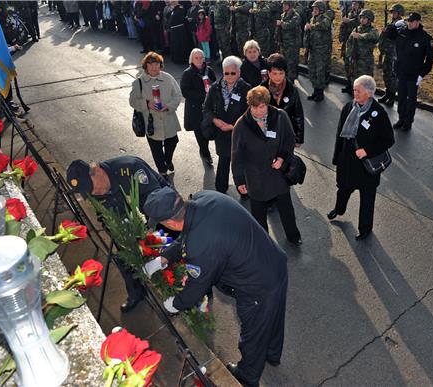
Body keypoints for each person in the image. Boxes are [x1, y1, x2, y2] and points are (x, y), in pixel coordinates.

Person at [143, 186, 288, 387]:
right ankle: (272, 352)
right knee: (273, 314)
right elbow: (187, 236)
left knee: (253, 333)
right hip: (273, 261)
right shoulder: (205, 198)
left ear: (170, 222)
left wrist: (175, 304)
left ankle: (246, 377)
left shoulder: (202, 244)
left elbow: (197, 286)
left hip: (257, 285)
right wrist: (164, 258)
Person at [66, 156, 170, 312]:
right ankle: (137, 293)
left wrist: (149, 231)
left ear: (97, 170)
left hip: (162, 216)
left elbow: (158, 199)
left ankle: (178, 296)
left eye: (92, 188)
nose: (95, 193)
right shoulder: (95, 191)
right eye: (89, 192)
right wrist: (119, 237)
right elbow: (104, 215)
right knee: (123, 258)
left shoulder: (129, 169)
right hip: (134, 226)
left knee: (169, 252)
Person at [232, 86, 302, 246]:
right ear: (249, 105)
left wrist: (282, 158)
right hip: (255, 177)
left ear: (267, 104)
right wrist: (239, 180)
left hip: (278, 174)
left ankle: (293, 236)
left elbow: (289, 140)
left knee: (286, 208)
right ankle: (263, 243)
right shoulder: (241, 125)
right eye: (254, 107)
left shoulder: (280, 116)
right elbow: (237, 155)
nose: (258, 111)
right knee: (258, 213)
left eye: (261, 106)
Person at [328, 75, 395, 240]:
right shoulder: (348, 107)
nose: (355, 93)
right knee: (343, 188)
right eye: (354, 90)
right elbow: (340, 135)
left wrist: (368, 151)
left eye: (358, 91)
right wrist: (337, 157)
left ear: (370, 93)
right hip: (347, 159)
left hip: (365, 164)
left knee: (367, 198)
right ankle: (339, 209)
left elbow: (388, 140)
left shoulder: (378, 113)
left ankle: (365, 229)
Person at [129, 52, 182, 177]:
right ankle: (162, 172)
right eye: (151, 64)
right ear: (146, 66)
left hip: (168, 118)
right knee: (156, 148)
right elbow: (132, 101)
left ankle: (168, 160)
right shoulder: (139, 82)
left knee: (173, 141)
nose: (154, 67)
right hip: (151, 122)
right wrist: (147, 104)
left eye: (157, 64)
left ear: (160, 65)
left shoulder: (168, 78)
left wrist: (168, 106)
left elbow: (177, 95)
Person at [202, 55, 250, 194]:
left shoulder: (246, 89)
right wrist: (214, 120)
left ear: (239, 72)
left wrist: (234, 125)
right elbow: (206, 108)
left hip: (240, 133)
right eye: (226, 73)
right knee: (224, 160)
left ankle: (244, 190)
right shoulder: (215, 88)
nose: (229, 76)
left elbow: (251, 113)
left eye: (232, 73)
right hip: (221, 133)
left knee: (241, 163)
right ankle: (220, 190)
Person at [393, 12, 433, 131]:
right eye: (408, 21)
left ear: (418, 22)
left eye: (412, 21)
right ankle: (401, 118)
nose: (409, 23)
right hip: (401, 71)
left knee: (411, 99)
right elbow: (388, 35)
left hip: (414, 74)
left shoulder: (425, 38)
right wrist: (394, 25)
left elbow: (430, 59)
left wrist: (422, 74)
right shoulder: (402, 33)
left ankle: (408, 122)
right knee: (401, 97)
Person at [180, 48, 217, 165]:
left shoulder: (209, 70)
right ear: (192, 59)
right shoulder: (187, 73)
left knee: (208, 129)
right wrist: (203, 96)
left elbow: (216, 84)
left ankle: (204, 149)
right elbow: (185, 92)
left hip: (209, 107)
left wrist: (212, 93)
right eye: (196, 58)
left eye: (201, 57)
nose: (199, 60)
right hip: (195, 108)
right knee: (199, 132)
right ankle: (205, 153)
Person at [261, 53, 304, 146]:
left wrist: (299, 138)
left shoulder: (291, 89)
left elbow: (298, 115)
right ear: (268, 73)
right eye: (275, 73)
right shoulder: (261, 89)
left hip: (286, 133)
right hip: (267, 135)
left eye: (281, 73)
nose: (278, 77)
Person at [343, 9, 379, 93]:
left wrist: (360, 36)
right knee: (354, 77)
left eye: (365, 18)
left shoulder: (373, 30)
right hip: (355, 59)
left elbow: (375, 37)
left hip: (365, 61)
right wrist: (348, 55)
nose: (362, 20)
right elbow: (349, 42)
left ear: (369, 20)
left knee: (365, 81)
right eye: (361, 18)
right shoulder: (357, 29)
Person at [303, 0, 332, 102]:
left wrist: (312, 26)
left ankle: (320, 93)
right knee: (312, 71)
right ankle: (315, 91)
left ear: (321, 10)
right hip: (313, 50)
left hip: (321, 51)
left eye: (316, 9)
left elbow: (324, 25)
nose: (314, 10)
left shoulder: (325, 19)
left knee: (320, 72)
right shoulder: (312, 19)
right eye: (313, 9)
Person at [377, 3, 405, 106]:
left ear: (400, 13)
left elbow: (396, 37)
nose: (393, 14)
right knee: (386, 73)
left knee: (392, 75)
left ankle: (392, 96)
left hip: (394, 53)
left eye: (395, 12)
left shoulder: (401, 24)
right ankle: (387, 93)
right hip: (387, 52)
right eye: (392, 12)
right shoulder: (391, 23)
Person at [276, 1, 302, 82]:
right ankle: (285, 80)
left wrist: (281, 23)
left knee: (291, 63)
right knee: (284, 62)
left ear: (290, 6)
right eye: (283, 4)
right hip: (284, 43)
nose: (283, 6)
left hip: (292, 44)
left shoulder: (295, 16)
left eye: (285, 5)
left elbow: (290, 25)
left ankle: (291, 81)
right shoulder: (283, 15)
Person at [338, 0, 361, 93]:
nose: (353, 5)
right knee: (346, 64)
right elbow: (343, 26)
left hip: (354, 44)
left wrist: (349, 21)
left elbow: (358, 23)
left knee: (353, 67)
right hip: (346, 42)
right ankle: (348, 84)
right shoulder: (349, 13)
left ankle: (353, 86)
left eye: (355, 4)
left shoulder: (362, 15)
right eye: (353, 3)